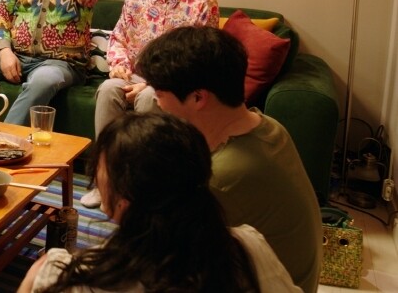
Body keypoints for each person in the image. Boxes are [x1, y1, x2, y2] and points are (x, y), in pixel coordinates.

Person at [18, 112, 300, 293]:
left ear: (125, 198)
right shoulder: (248, 246)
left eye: (101, 170)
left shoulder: (69, 278)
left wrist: (42, 269)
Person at [134, 26, 322, 292]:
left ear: (198, 97)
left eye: (161, 94)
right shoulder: (268, 127)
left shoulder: (220, 182)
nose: (157, 102)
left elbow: (160, 260)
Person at [81, 0, 217, 208]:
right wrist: (119, 65)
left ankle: (143, 186)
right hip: (132, 76)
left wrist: (153, 84)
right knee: (108, 89)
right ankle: (105, 181)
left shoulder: (202, 2)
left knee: (149, 97)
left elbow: (200, 62)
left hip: (174, 86)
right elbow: (119, 37)